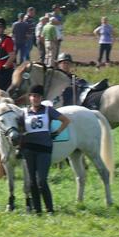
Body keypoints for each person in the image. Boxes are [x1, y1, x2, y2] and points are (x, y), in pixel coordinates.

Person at [21, 84, 70, 214]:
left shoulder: (48, 111)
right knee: (32, 181)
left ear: (41, 98)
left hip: (44, 149)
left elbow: (66, 120)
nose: (35, 98)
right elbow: (18, 128)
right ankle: (37, 210)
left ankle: (50, 209)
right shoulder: (24, 112)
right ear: (29, 97)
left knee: (41, 180)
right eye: (32, 96)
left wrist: (57, 132)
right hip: (28, 150)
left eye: (37, 96)